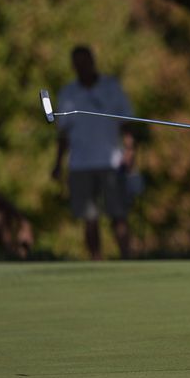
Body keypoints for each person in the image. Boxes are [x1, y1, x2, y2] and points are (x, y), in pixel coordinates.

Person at [52, 45, 135, 260]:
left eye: (85, 62)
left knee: (118, 214)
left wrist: (129, 150)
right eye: (77, 64)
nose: (81, 67)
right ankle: (96, 262)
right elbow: (62, 133)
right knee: (89, 218)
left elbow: (126, 123)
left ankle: (127, 260)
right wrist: (57, 163)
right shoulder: (68, 93)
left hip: (111, 162)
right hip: (80, 164)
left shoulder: (111, 87)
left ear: (92, 61)